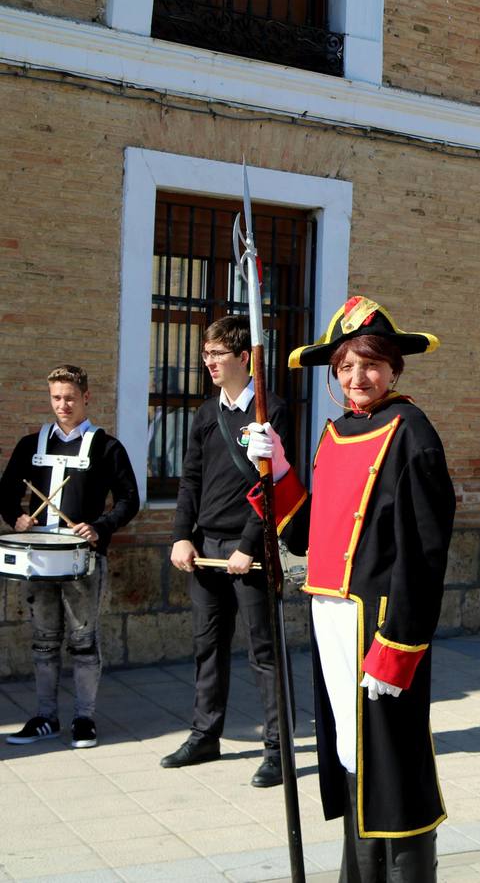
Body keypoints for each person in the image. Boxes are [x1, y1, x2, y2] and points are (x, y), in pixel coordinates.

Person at [247, 295, 454, 882]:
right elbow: (311, 534)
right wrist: (279, 471)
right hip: (332, 618)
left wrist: (400, 645)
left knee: (395, 763)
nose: (358, 377)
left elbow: (424, 552)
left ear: (393, 368)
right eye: (345, 367)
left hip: (381, 627)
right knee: (349, 756)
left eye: (371, 364)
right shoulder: (336, 433)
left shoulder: (412, 431)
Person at [161, 315, 289, 788]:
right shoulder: (203, 414)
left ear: (243, 357)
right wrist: (181, 535)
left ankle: (277, 749)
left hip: (248, 551)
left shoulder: (269, 409)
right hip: (206, 546)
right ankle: (205, 733)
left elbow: (271, 485)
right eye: (206, 354)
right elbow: (189, 480)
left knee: (263, 651)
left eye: (217, 354)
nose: (208, 362)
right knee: (206, 646)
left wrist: (248, 546)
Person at [0, 365, 140, 749]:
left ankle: (84, 719)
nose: (62, 405)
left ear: (86, 398)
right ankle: (46, 717)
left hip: (83, 560)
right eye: (56, 398)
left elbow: (130, 499)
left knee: (83, 640)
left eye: (70, 398)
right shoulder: (32, 444)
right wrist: (17, 518)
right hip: (40, 558)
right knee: (44, 641)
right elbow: (5, 492)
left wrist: (101, 526)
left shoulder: (107, 447)